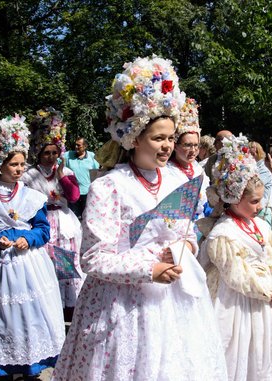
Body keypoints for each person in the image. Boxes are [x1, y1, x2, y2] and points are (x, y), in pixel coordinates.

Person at [52, 56, 227, 381]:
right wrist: (149, 269)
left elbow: (186, 232)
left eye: (171, 138)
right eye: (158, 138)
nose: (167, 146)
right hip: (121, 308)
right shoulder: (110, 186)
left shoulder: (178, 181)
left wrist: (184, 248)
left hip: (176, 303)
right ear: (133, 136)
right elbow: (92, 258)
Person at [0, 114, 65, 379]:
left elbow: (43, 230)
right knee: (2, 314)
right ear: (0, 165)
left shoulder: (33, 197)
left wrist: (28, 238)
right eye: (14, 164)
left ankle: (31, 364)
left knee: (30, 314)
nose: (20, 169)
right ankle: (2, 364)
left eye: (22, 164)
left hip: (29, 264)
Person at [202, 135, 272, 380]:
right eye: (254, 201)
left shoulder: (260, 225)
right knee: (236, 356)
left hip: (262, 301)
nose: (260, 206)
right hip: (235, 304)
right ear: (233, 198)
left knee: (262, 357)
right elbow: (236, 274)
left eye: (260, 200)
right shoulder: (222, 234)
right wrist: (270, 292)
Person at [23, 107, 85, 321]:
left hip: (64, 221)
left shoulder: (66, 172)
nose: (50, 157)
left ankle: (69, 307)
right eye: (46, 153)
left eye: (54, 152)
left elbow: (75, 197)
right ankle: (47, 305)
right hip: (42, 222)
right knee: (44, 263)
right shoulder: (29, 175)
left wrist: (62, 176)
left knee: (66, 262)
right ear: (38, 153)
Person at [168, 98, 210, 219]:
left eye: (196, 145)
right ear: (175, 146)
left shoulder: (198, 169)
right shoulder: (167, 172)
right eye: (187, 145)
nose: (193, 150)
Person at [63, 136, 100, 219]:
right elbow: (59, 165)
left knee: (88, 217)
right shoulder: (68, 155)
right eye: (75, 145)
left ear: (85, 146)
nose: (76, 147)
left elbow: (96, 173)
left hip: (87, 192)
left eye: (78, 145)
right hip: (73, 191)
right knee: (73, 218)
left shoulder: (92, 156)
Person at [249, 141, 272, 226]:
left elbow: (254, 186)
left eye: (252, 153)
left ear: (259, 153)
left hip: (262, 211)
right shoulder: (252, 168)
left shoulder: (264, 169)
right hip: (253, 211)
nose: (250, 156)